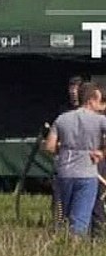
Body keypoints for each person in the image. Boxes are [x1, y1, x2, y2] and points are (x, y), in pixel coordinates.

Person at [44, 82, 106, 236]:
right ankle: (74, 251)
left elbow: (49, 147)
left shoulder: (62, 119)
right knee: (79, 221)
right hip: (87, 175)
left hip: (64, 173)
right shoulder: (100, 121)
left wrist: (65, 149)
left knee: (63, 217)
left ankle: (62, 248)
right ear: (92, 99)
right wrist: (101, 153)